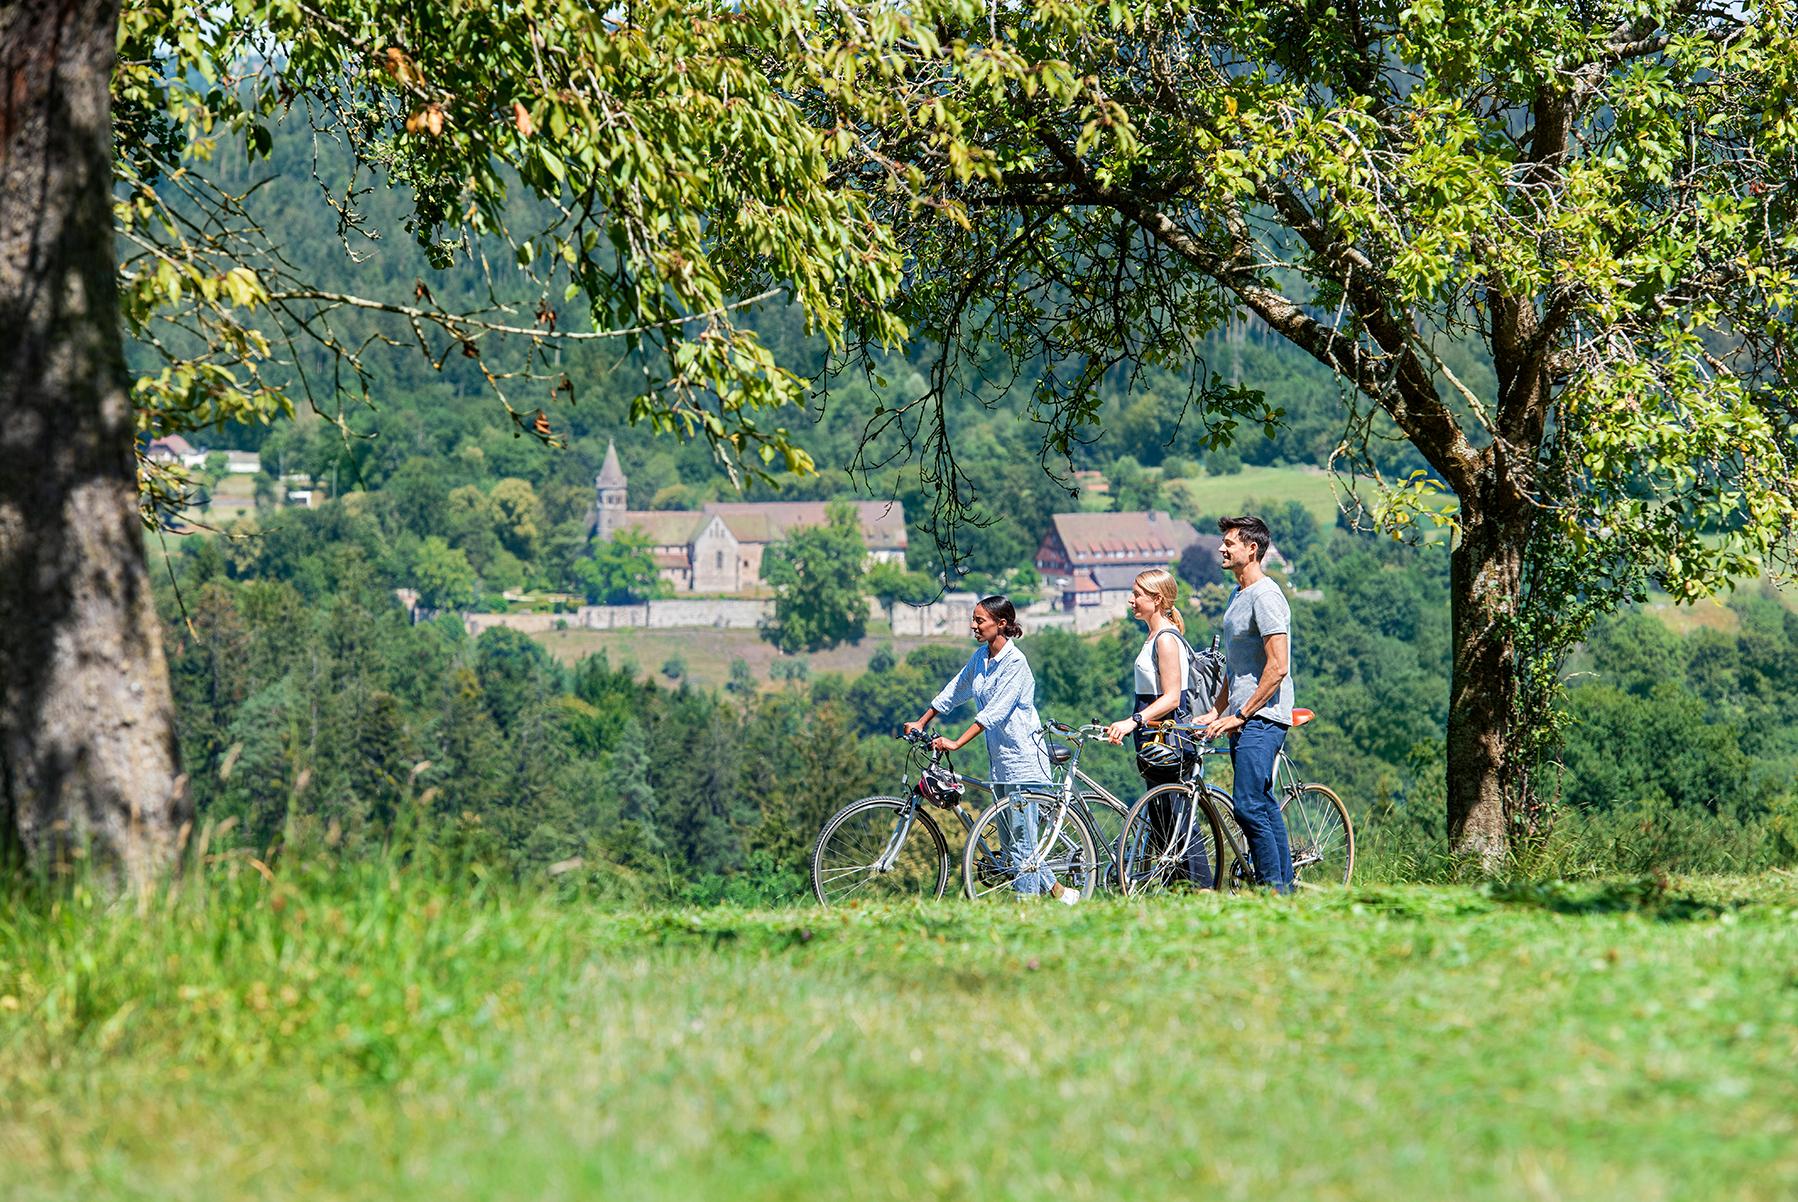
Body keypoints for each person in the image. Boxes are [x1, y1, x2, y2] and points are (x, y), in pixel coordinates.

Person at [905, 595, 1079, 904]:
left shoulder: (1016, 663)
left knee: (1023, 843)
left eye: (979, 620)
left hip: (1025, 760)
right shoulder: (980, 658)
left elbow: (995, 712)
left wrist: (956, 742)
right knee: (1013, 844)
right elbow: (955, 690)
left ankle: (1025, 912)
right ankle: (1063, 895)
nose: (973, 625)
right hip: (1000, 763)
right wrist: (922, 720)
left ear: (1001, 624)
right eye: (973, 619)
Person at [1199, 515, 1295, 893]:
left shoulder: (1266, 595)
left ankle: (1272, 888)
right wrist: (1217, 710)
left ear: (1251, 549)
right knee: (1260, 801)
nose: (1222, 548)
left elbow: (1278, 666)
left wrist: (1241, 713)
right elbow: (1236, 666)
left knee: (1248, 804)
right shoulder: (1238, 594)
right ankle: (1284, 887)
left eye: (1230, 543)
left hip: (1264, 716)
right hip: (1243, 715)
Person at [1105, 568, 1212, 886]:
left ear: (1157, 599)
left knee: (1177, 819)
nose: (1131, 600)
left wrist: (1132, 721)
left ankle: (1202, 889)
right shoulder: (1155, 636)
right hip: (1152, 735)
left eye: (1137, 594)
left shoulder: (1165, 640)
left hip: (1168, 735)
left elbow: (1172, 697)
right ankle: (1179, 890)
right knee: (1163, 819)